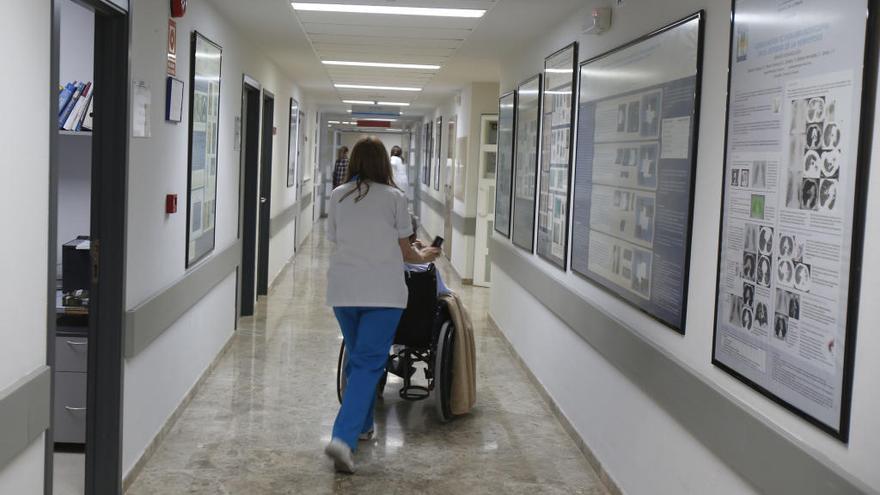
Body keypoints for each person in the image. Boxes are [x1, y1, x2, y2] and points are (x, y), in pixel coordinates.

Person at [324, 137, 440, 474]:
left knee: (359, 359)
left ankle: (360, 428)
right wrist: (427, 254)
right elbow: (407, 253)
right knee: (368, 364)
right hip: (383, 295)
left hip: (344, 292)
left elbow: (335, 238)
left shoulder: (337, 196)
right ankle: (341, 440)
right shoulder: (394, 197)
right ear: (384, 164)